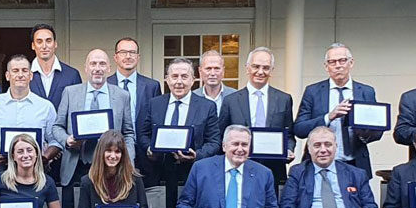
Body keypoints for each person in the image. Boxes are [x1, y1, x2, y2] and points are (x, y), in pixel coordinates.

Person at [293, 44, 380, 176]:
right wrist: (328, 117)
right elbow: (300, 129)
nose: (338, 65)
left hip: (355, 163)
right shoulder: (313, 92)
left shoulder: (366, 92)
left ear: (351, 63)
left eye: (342, 60)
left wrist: (362, 132)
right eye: (332, 62)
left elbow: (377, 131)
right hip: (319, 164)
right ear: (326, 66)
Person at [53, 49, 135, 187]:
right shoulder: (70, 92)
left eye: (102, 64)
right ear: (86, 68)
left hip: (111, 167)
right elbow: (57, 126)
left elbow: (128, 133)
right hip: (76, 165)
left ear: (109, 68)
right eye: (93, 64)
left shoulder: (122, 95)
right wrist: (67, 140)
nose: (97, 68)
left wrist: (129, 160)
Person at [136, 58, 221, 190]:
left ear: (193, 80)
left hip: (192, 175)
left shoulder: (207, 106)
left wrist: (196, 155)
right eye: (174, 76)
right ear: (167, 79)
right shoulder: (154, 104)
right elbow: (143, 134)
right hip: (159, 175)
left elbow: (214, 141)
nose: (179, 82)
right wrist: (149, 149)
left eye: (184, 77)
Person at [0, 54, 59, 182]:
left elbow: (56, 139)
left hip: (36, 171)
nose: (20, 75)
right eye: (15, 71)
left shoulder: (46, 106)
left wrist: (45, 156)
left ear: (30, 75)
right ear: (7, 75)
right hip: (2, 169)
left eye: (24, 70)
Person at [217, 47, 296, 181]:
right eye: (256, 66)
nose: (260, 72)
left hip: (273, 170)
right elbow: (221, 135)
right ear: (247, 68)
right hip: (238, 167)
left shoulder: (284, 99)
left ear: (271, 70)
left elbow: (289, 135)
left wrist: (288, 149)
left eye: (266, 68)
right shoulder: (231, 101)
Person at [111, 37, 162, 144]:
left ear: (138, 57)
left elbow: (157, 120)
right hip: (113, 147)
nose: (128, 56)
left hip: (143, 147)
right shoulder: (106, 85)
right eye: (123, 52)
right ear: (115, 57)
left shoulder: (152, 86)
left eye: (132, 52)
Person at [29, 23, 81, 106]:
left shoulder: (72, 75)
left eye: (48, 41)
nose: (44, 46)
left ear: (55, 44)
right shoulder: (23, 75)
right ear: (33, 46)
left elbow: (77, 106)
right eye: (39, 42)